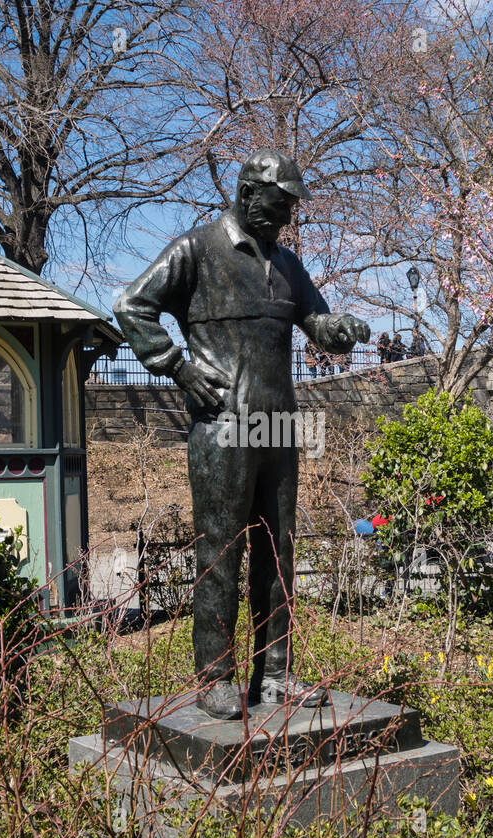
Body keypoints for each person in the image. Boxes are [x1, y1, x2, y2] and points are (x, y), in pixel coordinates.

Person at [114, 147, 369, 719]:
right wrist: (176, 366)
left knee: (278, 551)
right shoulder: (197, 250)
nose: (285, 217)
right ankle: (215, 678)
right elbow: (131, 305)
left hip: (278, 425)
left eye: (290, 209)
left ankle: (275, 675)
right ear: (249, 193)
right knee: (221, 551)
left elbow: (316, 322)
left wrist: (340, 328)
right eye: (279, 205)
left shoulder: (289, 264)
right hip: (224, 426)